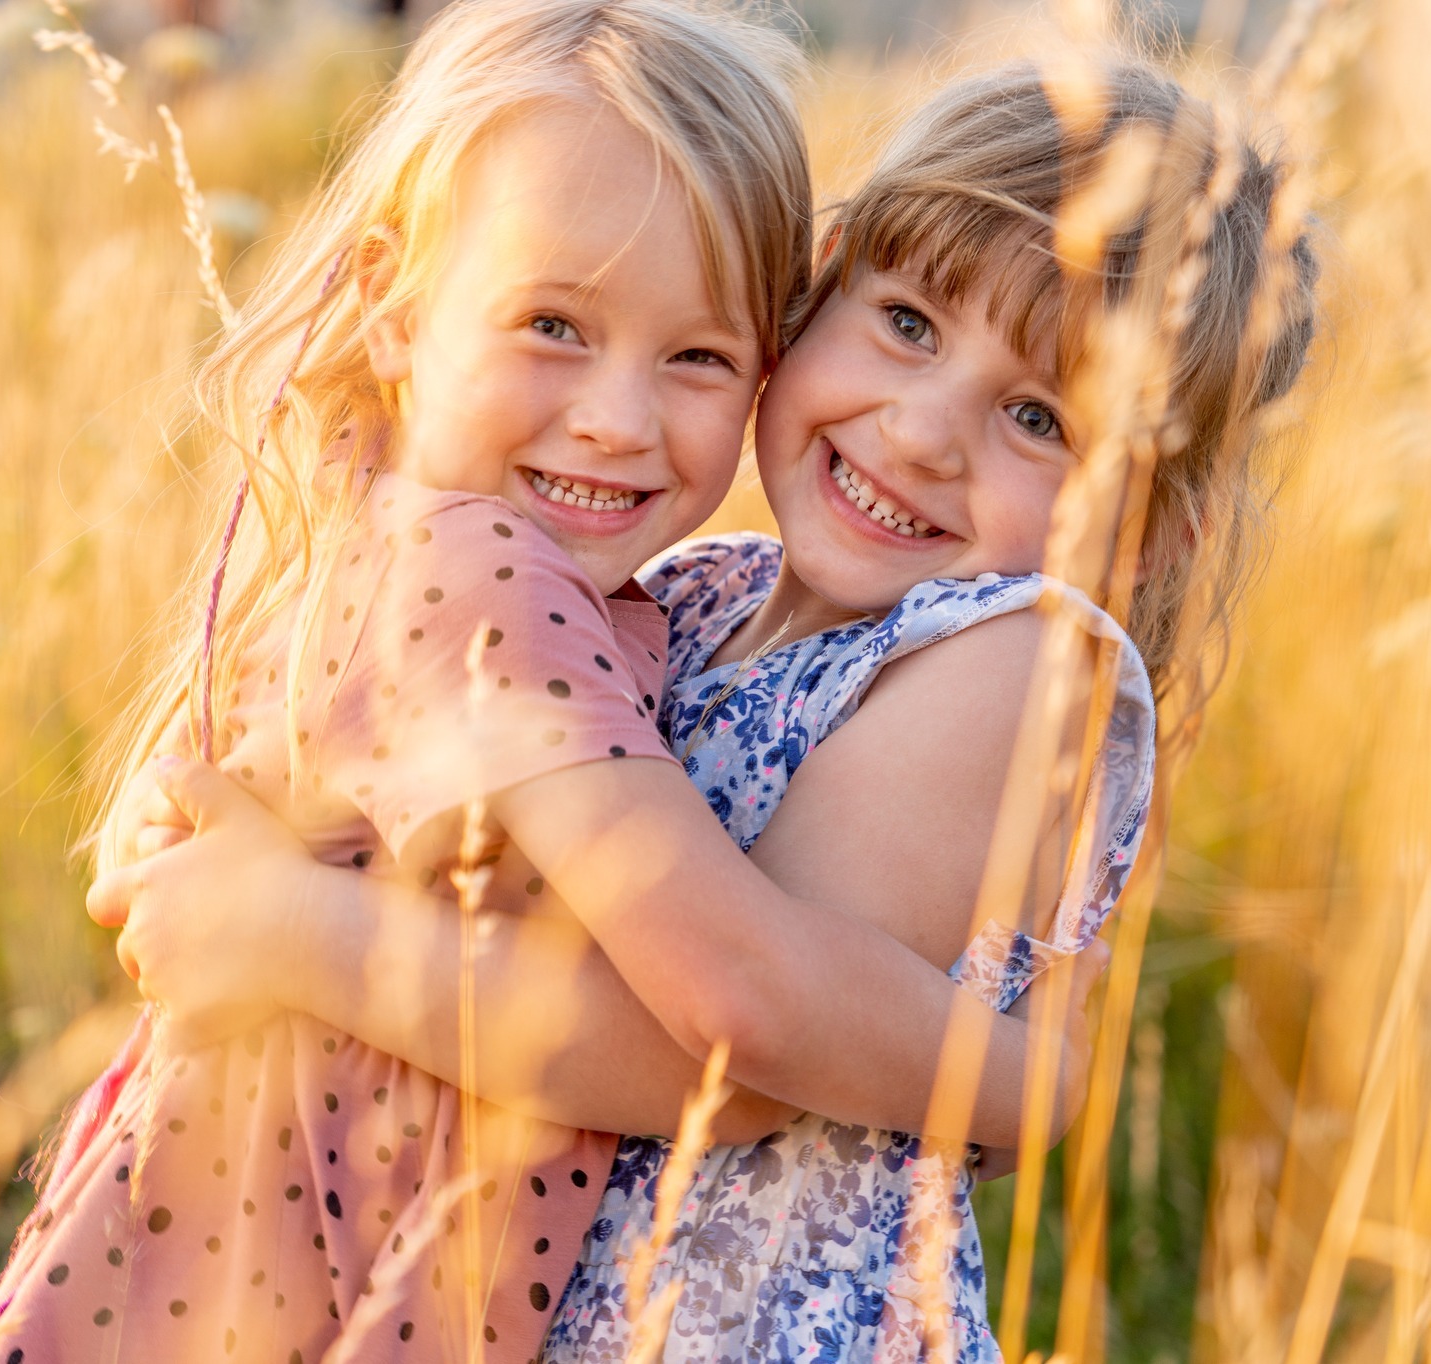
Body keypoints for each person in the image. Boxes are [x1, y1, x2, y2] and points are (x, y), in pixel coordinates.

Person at [92, 52, 1321, 1364]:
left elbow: (734, 1028)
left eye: (1038, 417)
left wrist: (295, 931)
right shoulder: (689, 594)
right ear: (820, 288)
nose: (918, 434)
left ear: (1153, 531)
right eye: (906, 321)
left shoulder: (1012, 660)